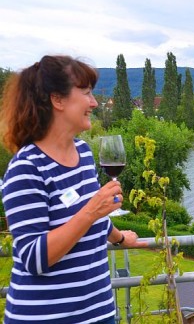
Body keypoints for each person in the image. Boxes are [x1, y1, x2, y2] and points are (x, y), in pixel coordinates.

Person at [0, 55, 146, 323]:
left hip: (98, 312)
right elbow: (35, 259)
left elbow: (91, 220)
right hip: (45, 317)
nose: (94, 102)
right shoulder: (26, 168)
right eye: (86, 93)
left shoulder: (83, 152)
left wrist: (120, 238)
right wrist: (92, 210)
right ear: (58, 100)